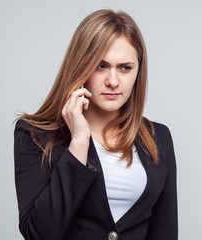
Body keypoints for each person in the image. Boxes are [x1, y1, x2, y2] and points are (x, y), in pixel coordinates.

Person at [14, 9, 177, 240]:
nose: (113, 81)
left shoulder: (158, 137)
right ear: (80, 67)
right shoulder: (34, 135)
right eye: (100, 66)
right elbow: (40, 234)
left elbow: (165, 231)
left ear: (138, 72)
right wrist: (79, 142)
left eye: (125, 67)